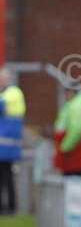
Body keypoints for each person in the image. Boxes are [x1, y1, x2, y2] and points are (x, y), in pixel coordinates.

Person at [0, 67, 26, 214]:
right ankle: (7, 207)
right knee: (4, 176)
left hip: (7, 145)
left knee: (7, 176)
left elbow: (2, 106)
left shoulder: (13, 92)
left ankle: (10, 207)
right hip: (5, 144)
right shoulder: (7, 93)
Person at [54, 82, 81, 176]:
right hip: (71, 149)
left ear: (72, 92)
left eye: (67, 92)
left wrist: (65, 147)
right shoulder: (73, 104)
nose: (65, 94)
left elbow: (77, 130)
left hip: (72, 152)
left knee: (73, 180)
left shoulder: (77, 106)